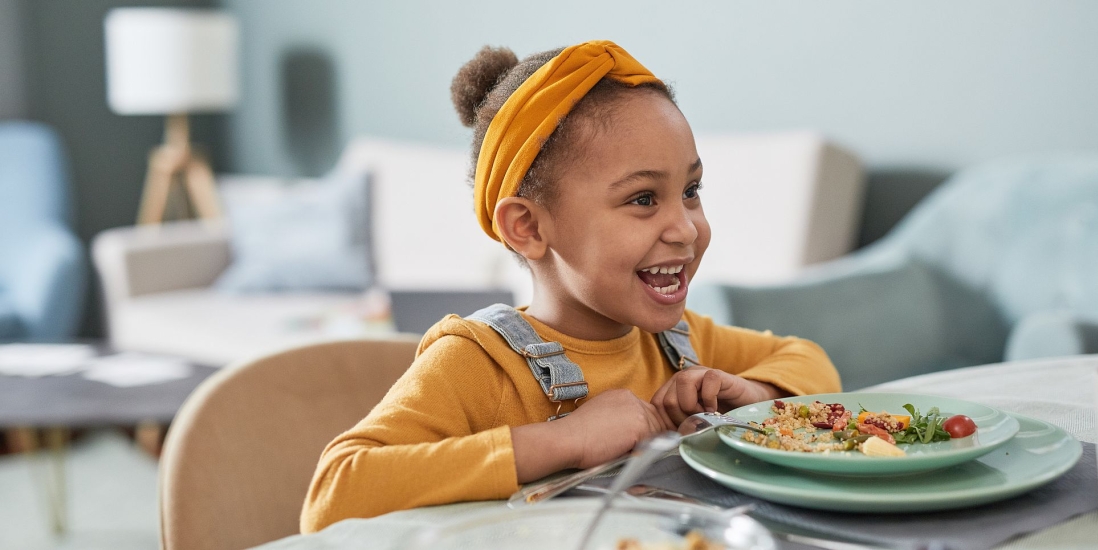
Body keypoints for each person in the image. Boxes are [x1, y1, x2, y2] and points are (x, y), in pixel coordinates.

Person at [300, 40, 841, 533]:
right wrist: (559, 441)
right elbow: (333, 493)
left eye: (691, 190)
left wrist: (757, 397)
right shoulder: (477, 364)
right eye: (644, 199)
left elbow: (813, 363)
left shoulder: (676, 340)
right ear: (529, 228)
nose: (686, 228)